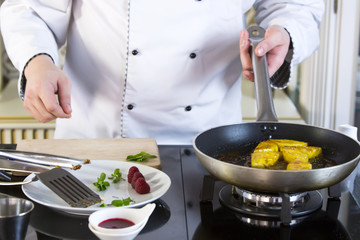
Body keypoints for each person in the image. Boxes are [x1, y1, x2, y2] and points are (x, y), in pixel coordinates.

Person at [0, 1, 324, 145]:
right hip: (99, 142)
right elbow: (29, 9)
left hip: (210, 144)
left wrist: (285, 34)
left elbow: (295, 5)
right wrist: (38, 61)